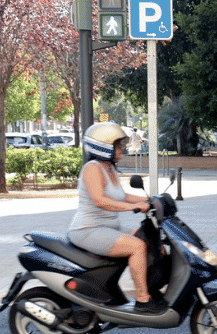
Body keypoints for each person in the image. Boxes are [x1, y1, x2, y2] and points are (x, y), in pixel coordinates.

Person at [68, 122, 166, 314]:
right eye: (117, 145)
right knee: (136, 246)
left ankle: (152, 289)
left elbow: (122, 196)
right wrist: (133, 207)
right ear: (103, 147)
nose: (122, 148)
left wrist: (152, 200)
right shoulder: (92, 168)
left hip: (107, 228)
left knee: (147, 238)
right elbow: (100, 201)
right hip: (87, 230)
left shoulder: (110, 168)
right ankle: (142, 300)